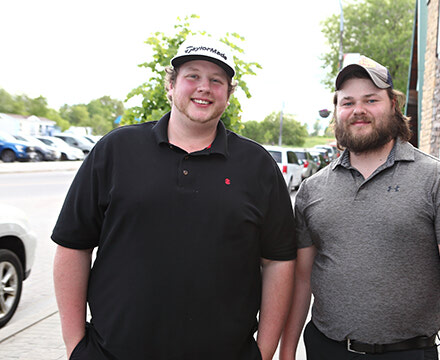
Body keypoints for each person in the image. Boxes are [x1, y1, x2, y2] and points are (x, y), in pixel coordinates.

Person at [52, 36, 296, 360]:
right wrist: (75, 346)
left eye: (216, 80)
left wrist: (263, 353)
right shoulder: (116, 150)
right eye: (192, 75)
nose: (204, 87)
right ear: (171, 84)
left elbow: (278, 261)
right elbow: (72, 244)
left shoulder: (258, 166)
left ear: (229, 93)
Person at [280, 55, 440, 360]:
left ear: (393, 106)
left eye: (371, 100)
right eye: (347, 102)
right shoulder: (312, 189)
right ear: (337, 112)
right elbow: (302, 279)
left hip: (407, 353)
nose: (358, 110)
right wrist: (287, 352)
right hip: (326, 350)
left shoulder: (438, 180)